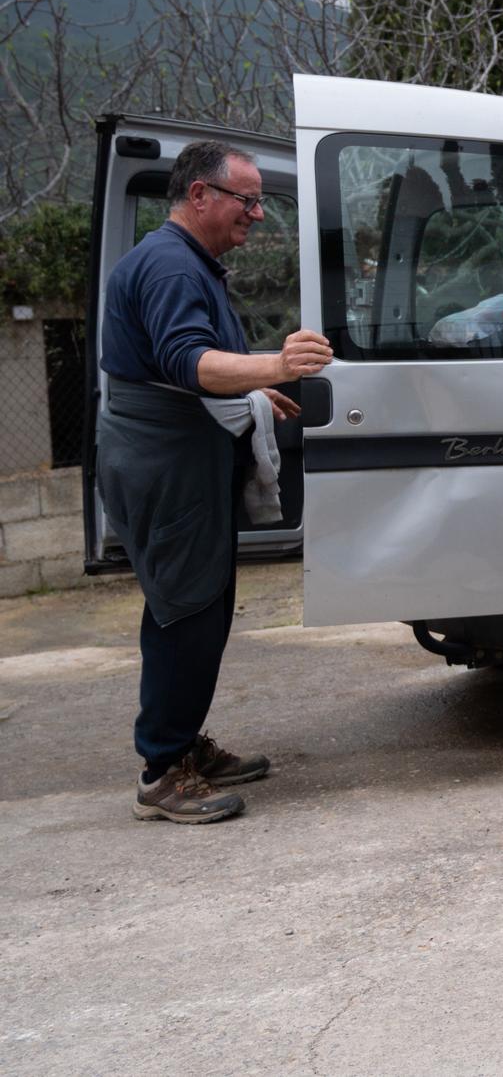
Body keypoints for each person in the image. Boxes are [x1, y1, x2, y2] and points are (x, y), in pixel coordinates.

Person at [97, 140, 332, 823]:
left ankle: (180, 744)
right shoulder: (172, 267)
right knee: (184, 608)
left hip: (180, 456)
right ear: (199, 195)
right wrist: (277, 366)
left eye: (257, 201)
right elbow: (191, 364)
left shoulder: (186, 261)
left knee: (198, 606)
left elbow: (192, 366)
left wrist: (256, 398)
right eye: (246, 199)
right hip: (167, 465)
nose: (256, 214)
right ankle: (162, 770)